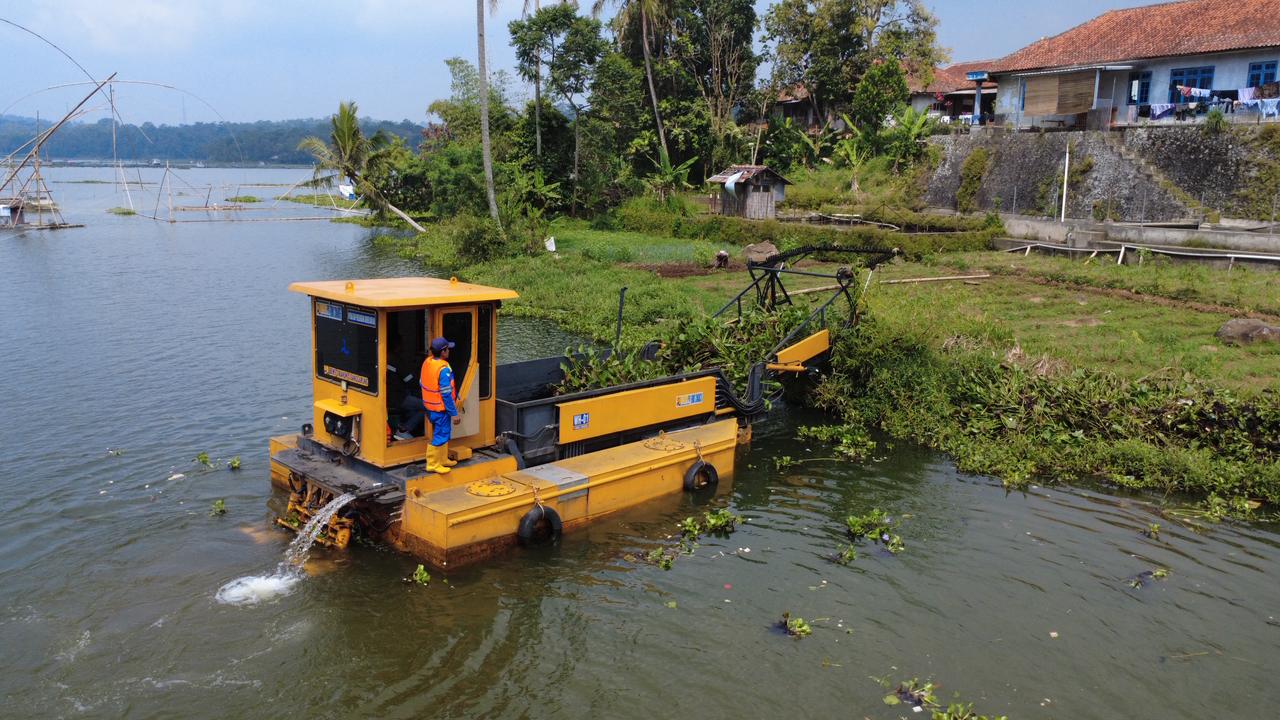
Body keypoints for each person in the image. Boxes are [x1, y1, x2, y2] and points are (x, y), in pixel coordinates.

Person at [420, 336, 459, 474]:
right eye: (448, 349)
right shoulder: (443, 369)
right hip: (440, 409)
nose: (449, 351)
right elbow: (446, 394)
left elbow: (422, 382)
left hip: (429, 406)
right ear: (443, 351)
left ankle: (442, 459)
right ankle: (432, 464)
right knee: (441, 434)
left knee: (443, 433)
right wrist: (454, 413)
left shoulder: (428, 362)